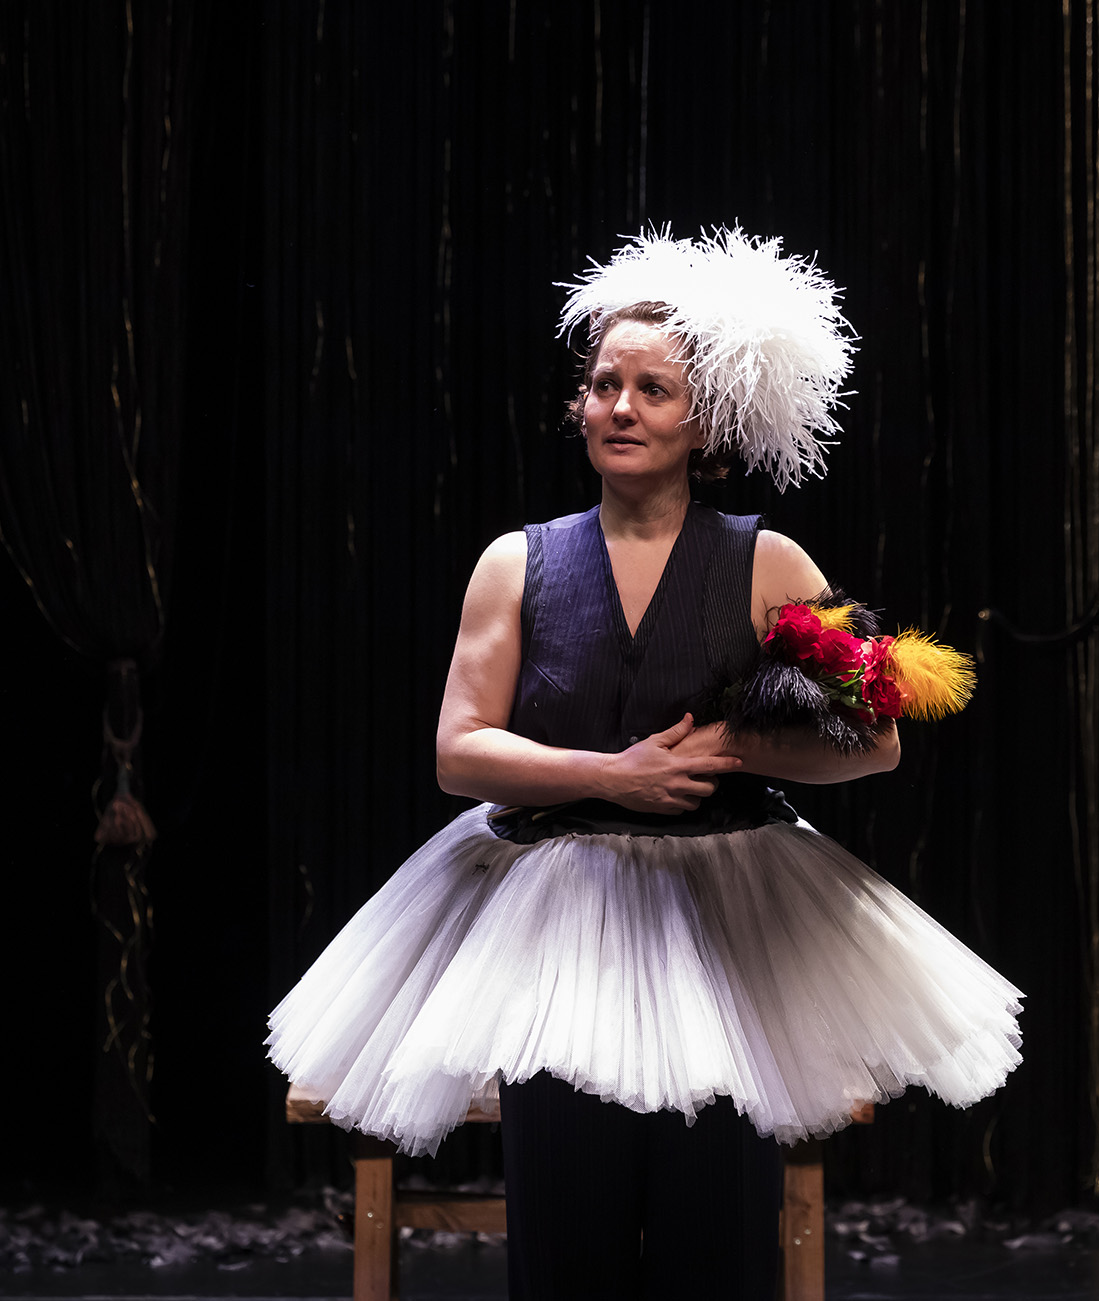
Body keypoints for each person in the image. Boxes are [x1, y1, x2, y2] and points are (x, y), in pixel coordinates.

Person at [267, 228, 1023, 1300]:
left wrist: (736, 745)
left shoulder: (767, 562)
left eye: (651, 389)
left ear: (701, 421)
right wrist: (609, 777)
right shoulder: (518, 562)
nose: (619, 407)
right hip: (555, 925)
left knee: (715, 1241)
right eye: (602, 385)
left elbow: (877, 739)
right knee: (564, 1238)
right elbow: (459, 750)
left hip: (725, 925)